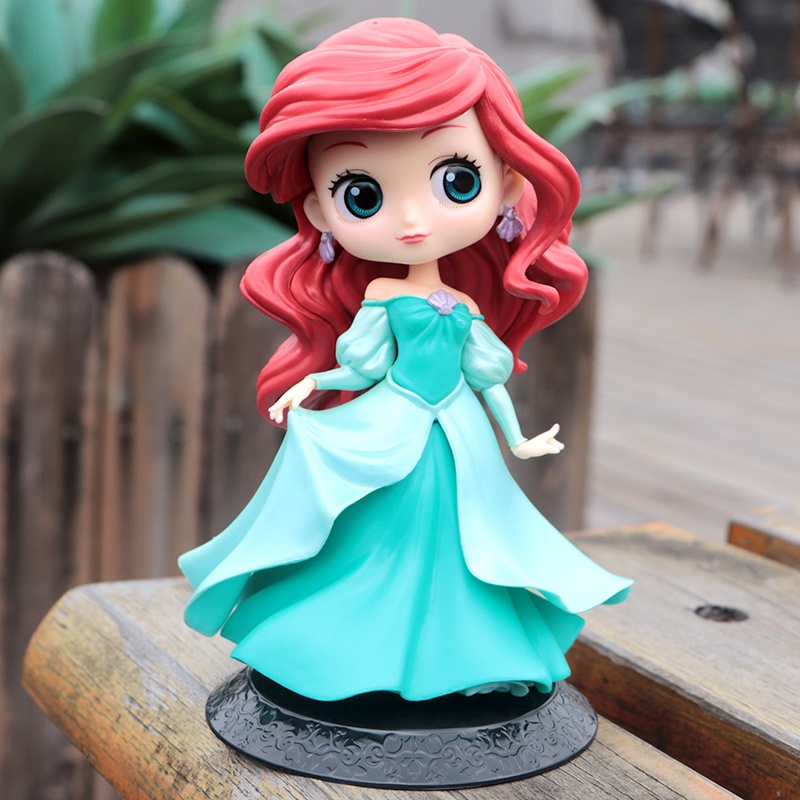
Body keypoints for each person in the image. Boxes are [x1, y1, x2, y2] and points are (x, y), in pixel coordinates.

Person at [179, 17, 631, 703]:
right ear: (320, 212)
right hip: (391, 421)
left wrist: (518, 438)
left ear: (508, 184)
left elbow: (487, 377)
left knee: (465, 539)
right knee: (372, 537)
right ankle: (345, 650)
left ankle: (461, 656)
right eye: (363, 195)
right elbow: (360, 368)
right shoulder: (382, 297)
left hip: (457, 430)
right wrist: (311, 384)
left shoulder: (466, 307)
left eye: (456, 180)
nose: (414, 221)